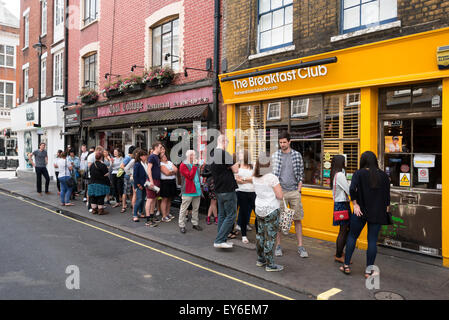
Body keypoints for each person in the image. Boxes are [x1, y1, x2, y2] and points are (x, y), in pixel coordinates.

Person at [340, 151, 391, 277]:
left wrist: (355, 205)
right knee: (372, 241)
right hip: (377, 212)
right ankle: (368, 271)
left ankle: (346, 266)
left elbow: (352, 189)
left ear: (363, 161)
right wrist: (386, 210)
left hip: (360, 212)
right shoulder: (384, 176)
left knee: (352, 237)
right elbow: (387, 196)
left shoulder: (359, 173)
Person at [272, 131, 308, 258]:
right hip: (280, 191)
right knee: (279, 220)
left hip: (294, 191)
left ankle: (300, 246)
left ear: (289, 141)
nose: (282, 144)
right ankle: (278, 246)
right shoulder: (275, 156)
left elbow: (301, 173)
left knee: (297, 219)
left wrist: (299, 189)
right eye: (280, 142)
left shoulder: (297, 155)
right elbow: (272, 175)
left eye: (284, 142)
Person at [253, 158, 284, 272]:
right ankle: (270, 264)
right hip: (271, 209)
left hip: (259, 209)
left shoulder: (255, 176)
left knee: (260, 234)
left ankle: (261, 259)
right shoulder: (272, 177)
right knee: (270, 237)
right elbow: (280, 195)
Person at [211, 134, 239, 249]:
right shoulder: (223, 153)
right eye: (227, 143)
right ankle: (219, 240)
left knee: (222, 215)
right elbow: (236, 170)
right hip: (227, 189)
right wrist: (237, 163)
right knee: (231, 215)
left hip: (219, 189)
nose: (227, 145)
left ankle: (221, 239)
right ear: (223, 142)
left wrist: (229, 167)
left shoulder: (212, 154)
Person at [330, 155, 351, 264]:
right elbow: (348, 190)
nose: (346, 162)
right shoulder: (340, 175)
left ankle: (339, 252)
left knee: (343, 230)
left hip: (339, 204)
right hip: (342, 204)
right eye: (344, 161)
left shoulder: (335, 174)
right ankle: (339, 255)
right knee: (343, 231)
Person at [178, 150, 203, 233]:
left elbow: (198, 176)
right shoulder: (183, 165)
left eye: (195, 155)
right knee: (184, 208)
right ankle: (181, 225)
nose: (195, 157)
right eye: (193, 155)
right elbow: (190, 176)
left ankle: (195, 223)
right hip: (188, 190)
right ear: (189, 156)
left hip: (197, 189)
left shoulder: (195, 164)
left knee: (196, 208)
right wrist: (195, 166)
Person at [235, 150, 256, 244]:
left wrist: (243, 179)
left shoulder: (252, 165)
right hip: (241, 192)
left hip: (253, 192)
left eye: (241, 153)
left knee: (258, 213)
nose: (239, 155)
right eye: (239, 153)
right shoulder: (237, 166)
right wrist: (248, 180)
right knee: (243, 214)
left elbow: (254, 178)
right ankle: (244, 235)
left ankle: (259, 234)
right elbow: (236, 180)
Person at [145, 142, 163, 227]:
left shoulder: (157, 157)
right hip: (152, 181)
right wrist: (151, 182)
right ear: (155, 147)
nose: (161, 148)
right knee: (149, 199)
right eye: (160, 147)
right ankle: (148, 220)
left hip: (157, 180)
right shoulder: (152, 156)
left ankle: (151, 217)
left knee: (154, 200)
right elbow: (149, 169)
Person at [160, 152, 177, 222]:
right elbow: (166, 173)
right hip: (165, 183)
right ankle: (164, 216)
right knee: (164, 199)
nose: (165, 157)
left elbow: (176, 170)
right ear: (160, 158)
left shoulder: (169, 162)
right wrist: (171, 172)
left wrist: (170, 172)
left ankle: (167, 213)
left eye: (165, 155)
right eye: (163, 156)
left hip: (172, 181)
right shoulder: (161, 164)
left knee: (170, 199)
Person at [132, 149, 148, 222]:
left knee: (143, 199)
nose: (146, 156)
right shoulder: (137, 164)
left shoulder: (145, 164)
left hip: (145, 184)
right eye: (144, 155)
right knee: (139, 199)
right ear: (141, 157)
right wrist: (138, 185)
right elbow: (135, 176)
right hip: (139, 185)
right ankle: (135, 215)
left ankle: (140, 212)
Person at [120, 145, 136, 213]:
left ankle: (132, 205)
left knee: (130, 192)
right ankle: (124, 206)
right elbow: (122, 166)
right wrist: (129, 173)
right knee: (126, 192)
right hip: (128, 176)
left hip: (129, 176)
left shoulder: (128, 157)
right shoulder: (128, 158)